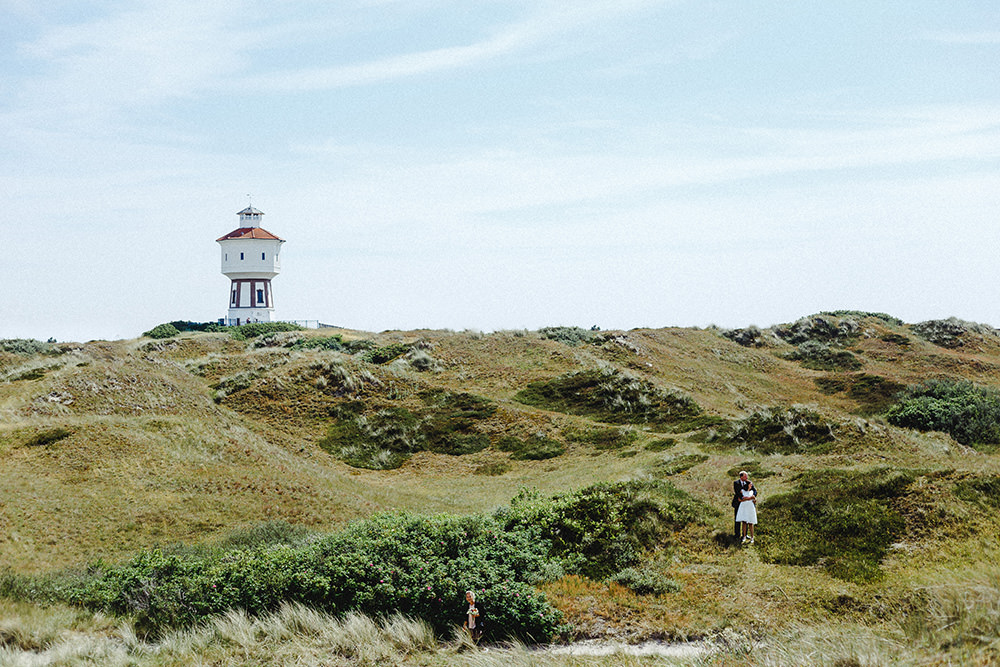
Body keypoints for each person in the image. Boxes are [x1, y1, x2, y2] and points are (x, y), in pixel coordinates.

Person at [735, 476, 758, 544]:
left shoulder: (752, 492)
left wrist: (751, 499)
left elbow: (754, 499)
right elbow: (740, 499)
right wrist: (749, 498)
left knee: (751, 523)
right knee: (744, 522)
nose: (751, 485)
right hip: (744, 507)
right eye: (750, 484)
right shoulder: (742, 491)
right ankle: (744, 536)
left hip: (750, 507)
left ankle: (752, 537)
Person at [732, 471, 751, 540]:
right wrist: (744, 497)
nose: (747, 477)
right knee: (737, 519)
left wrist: (752, 496)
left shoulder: (749, 483)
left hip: (746, 504)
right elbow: (737, 492)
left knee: (745, 519)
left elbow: (754, 490)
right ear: (741, 476)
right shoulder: (736, 483)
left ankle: (745, 534)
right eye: (745, 476)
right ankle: (737, 534)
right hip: (738, 503)